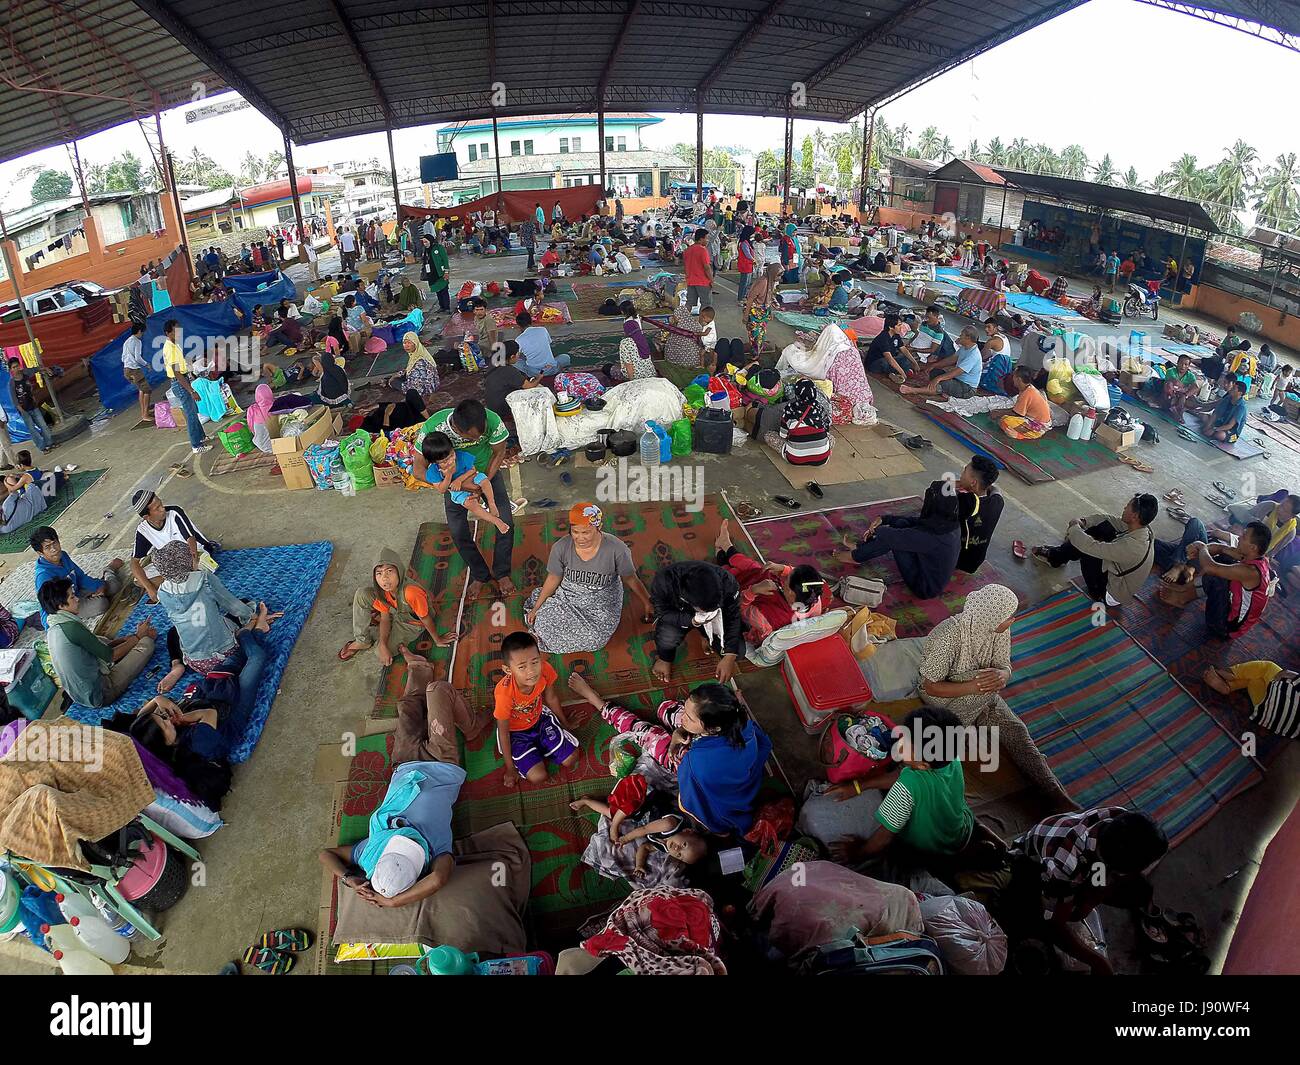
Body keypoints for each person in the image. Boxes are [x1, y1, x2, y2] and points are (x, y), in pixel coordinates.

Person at [320, 658, 483, 909]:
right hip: (442, 763)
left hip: (404, 766)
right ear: (420, 867)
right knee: (437, 690)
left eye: (397, 843)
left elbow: (325, 854)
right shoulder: (437, 850)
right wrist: (394, 902)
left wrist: (349, 878)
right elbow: (438, 879)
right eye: (411, 849)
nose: (406, 838)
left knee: (408, 708)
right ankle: (471, 727)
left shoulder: (368, 853)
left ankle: (420, 668)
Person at [1002, 807, 1167, 975]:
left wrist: (1090, 901)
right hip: (1029, 865)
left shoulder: (1119, 818)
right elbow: (1055, 925)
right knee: (1036, 920)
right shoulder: (1065, 864)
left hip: (1082, 858)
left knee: (1137, 891)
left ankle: (1078, 899)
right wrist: (1098, 961)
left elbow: (1099, 864)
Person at [825, 705, 979, 865]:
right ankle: (981, 836)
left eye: (905, 746)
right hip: (962, 829)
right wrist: (858, 786)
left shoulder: (907, 784)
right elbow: (903, 775)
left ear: (923, 765)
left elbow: (883, 838)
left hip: (930, 849)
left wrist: (858, 853)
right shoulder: (950, 758)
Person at [415, 400, 515, 598]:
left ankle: (502, 572)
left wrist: (481, 484)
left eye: (481, 435)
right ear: (457, 431)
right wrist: (444, 483)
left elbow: (499, 453)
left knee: (505, 521)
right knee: (458, 531)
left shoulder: (493, 421)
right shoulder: (435, 427)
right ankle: (480, 575)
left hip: (485, 473)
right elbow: (418, 469)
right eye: (471, 438)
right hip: (453, 483)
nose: (477, 439)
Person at [524, 502, 653, 653]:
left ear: (599, 527)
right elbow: (553, 578)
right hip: (569, 596)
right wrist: (536, 608)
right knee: (541, 622)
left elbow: (630, 578)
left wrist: (647, 602)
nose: (580, 538)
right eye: (575, 532)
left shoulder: (617, 549)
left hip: (601, 603)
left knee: (595, 640)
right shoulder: (561, 547)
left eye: (586, 532)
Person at [40, 578, 157, 708]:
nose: (78, 599)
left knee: (103, 640)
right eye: (72, 597)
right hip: (101, 693)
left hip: (78, 694)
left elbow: (93, 647)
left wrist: (125, 641)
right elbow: (111, 656)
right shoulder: (72, 628)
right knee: (147, 643)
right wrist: (138, 636)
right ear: (61, 606)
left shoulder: (53, 628)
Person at [835, 481, 961, 600]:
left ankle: (856, 556)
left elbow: (892, 536)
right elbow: (915, 522)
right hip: (928, 571)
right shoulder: (949, 523)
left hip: (924, 587)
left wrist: (876, 529)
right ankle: (860, 550)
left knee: (894, 538)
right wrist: (885, 519)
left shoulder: (933, 537)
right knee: (901, 524)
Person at [713, 519, 829, 646]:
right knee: (754, 567)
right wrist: (783, 568)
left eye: (787, 577)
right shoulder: (813, 595)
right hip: (766, 592)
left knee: (728, 576)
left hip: (747, 602)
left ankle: (720, 553)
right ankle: (726, 546)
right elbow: (800, 576)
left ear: (790, 591)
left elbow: (738, 608)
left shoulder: (764, 618)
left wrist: (753, 591)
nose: (785, 576)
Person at [1032, 494, 1158, 606]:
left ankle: (1057, 558)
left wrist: (1074, 528)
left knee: (1088, 550)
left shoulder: (1133, 547)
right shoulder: (1142, 528)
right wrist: (1084, 522)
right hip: (1118, 575)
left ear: (1134, 516)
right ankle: (1058, 557)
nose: (1124, 508)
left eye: (1128, 506)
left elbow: (1090, 547)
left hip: (1110, 593)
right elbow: (1109, 520)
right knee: (1103, 528)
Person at [341, 547, 456, 664]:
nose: (384, 578)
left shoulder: (411, 592)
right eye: (379, 573)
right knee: (362, 594)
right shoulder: (382, 589)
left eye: (389, 571)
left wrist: (437, 639)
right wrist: (383, 644)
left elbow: (425, 618)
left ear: (399, 571)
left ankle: (397, 640)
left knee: (380, 653)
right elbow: (385, 618)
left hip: (411, 622)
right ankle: (362, 641)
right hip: (395, 611)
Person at [494, 631, 579, 786]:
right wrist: (510, 768)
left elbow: (551, 698)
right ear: (508, 670)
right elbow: (503, 731)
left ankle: (544, 747)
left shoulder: (545, 670)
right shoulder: (504, 694)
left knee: (571, 758)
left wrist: (565, 723)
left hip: (540, 719)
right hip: (516, 734)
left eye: (535, 662)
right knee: (539, 777)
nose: (532, 671)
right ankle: (539, 750)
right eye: (522, 667)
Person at [1162, 522, 1273, 640]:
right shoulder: (1255, 556)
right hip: (1231, 610)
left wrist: (1202, 547)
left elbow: (1210, 568)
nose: (1239, 537)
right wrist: (1200, 547)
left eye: (1244, 536)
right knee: (1225, 559)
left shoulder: (1251, 571)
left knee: (1215, 576)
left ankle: (1182, 598)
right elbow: (1221, 548)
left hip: (1226, 628)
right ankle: (1184, 589)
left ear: (1253, 547)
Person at [648, 560, 743, 684]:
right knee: (667, 637)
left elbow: (733, 616)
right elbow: (663, 613)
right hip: (679, 612)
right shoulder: (664, 582)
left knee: (738, 651)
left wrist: (730, 655)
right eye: (703, 610)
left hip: (715, 616)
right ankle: (664, 660)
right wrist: (691, 620)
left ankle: (706, 636)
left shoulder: (728, 583)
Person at [129, 489, 219, 602]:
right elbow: (134, 563)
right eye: (157, 508)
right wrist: (150, 588)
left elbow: (190, 538)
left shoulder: (174, 512)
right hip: (171, 564)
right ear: (147, 517)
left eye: (160, 504)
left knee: (199, 570)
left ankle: (174, 584)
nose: (163, 509)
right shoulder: (143, 530)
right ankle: (180, 583)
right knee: (138, 580)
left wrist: (194, 561)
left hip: (196, 553)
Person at [31, 526, 124, 627]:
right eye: (47, 547)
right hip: (68, 605)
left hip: (77, 591)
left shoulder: (63, 555)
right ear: (40, 553)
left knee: (114, 586)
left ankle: (108, 570)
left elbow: (80, 577)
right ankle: (94, 598)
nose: (54, 549)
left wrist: (100, 586)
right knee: (102, 604)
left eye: (54, 543)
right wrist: (52, 626)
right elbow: (46, 607)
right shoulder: (43, 575)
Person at [421, 429, 509, 534]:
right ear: (434, 462)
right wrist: (448, 475)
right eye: (444, 461)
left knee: (484, 480)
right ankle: (496, 521)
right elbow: (441, 489)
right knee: (470, 504)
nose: (450, 461)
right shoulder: (433, 471)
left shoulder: (461, 455)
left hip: (470, 478)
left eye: (451, 456)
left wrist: (459, 480)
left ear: (453, 450)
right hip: (457, 491)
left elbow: (473, 470)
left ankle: (491, 502)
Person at [158, 319, 210, 454]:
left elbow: (181, 366)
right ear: (168, 333)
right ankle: (196, 445)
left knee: (193, 411)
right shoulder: (170, 348)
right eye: (176, 330)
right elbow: (176, 372)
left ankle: (202, 437)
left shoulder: (175, 345)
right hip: (179, 382)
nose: (179, 332)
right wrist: (191, 390)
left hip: (183, 379)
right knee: (191, 415)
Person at [900, 326, 984, 399]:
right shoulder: (965, 348)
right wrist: (934, 365)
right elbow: (951, 359)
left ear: (968, 338)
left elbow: (956, 372)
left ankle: (914, 390)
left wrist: (938, 378)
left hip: (967, 388)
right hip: (957, 380)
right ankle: (943, 390)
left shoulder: (973, 355)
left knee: (942, 382)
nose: (959, 336)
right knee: (935, 372)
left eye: (961, 335)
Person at [956, 457, 1004, 573]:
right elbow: (996, 490)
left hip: (955, 559)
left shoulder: (959, 503)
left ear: (973, 482)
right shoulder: (998, 502)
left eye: (964, 471)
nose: (961, 475)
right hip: (975, 561)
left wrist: (952, 485)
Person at [7, 357, 53, 453]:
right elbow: (14, 400)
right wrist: (22, 411)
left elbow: (36, 368)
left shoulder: (25, 374)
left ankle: (49, 444)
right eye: (13, 367)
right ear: (10, 370)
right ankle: (42, 448)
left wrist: (46, 369)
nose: (16, 369)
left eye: (17, 366)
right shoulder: (11, 383)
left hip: (33, 406)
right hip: (24, 410)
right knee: (33, 430)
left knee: (43, 425)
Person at [1000, 366, 1053, 439]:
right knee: (1005, 418)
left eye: (1014, 376)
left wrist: (998, 412)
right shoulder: (1028, 388)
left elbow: (1016, 413)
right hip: (1038, 421)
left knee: (1005, 421)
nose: (1012, 379)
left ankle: (1021, 435)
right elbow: (1017, 410)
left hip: (1039, 426)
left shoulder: (1028, 393)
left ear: (1018, 379)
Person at [863, 315, 920, 383]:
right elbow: (889, 358)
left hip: (889, 360)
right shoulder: (883, 338)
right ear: (890, 327)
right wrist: (902, 372)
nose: (901, 328)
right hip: (874, 364)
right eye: (899, 325)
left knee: (905, 358)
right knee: (884, 362)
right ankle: (894, 373)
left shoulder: (896, 335)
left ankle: (895, 373)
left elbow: (904, 350)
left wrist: (915, 363)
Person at [514, 312, 569, 377]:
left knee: (514, 362)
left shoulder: (519, 339)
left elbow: (516, 356)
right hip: (552, 369)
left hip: (535, 372)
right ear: (531, 321)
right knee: (566, 357)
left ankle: (530, 374)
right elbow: (548, 343)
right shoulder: (543, 330)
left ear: (518, 325)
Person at [390, 333, 441, 400]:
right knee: (399, 377)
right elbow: (408, 369)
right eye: (404, 343)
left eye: (409, 343)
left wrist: (393, 381)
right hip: (433, 384)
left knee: (394, 382)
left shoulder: (419, 362)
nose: (406, 346)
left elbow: (415, 388)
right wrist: (398, 374)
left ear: (415, 343)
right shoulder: (421, 353)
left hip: (422, 390)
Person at [120, 322, 151, 424]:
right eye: (142, 332)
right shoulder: (137, 341)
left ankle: (143, 413)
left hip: (126, 370)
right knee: (147, 391)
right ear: (139, 331)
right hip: (134, 369)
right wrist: (146, 364)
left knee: (141, 389)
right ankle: (145, 415)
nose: (142, 335)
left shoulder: (127, 341)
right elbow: (138, 358)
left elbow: (123, 358)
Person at [1160, 353, 1199, 419]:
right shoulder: (1171, 371)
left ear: (1188, 366)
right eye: (1181, 363)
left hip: (1181, 394)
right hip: (1170, 393)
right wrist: (1185, 388)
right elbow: (1176, 383)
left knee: (1191, 401)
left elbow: (1196, 387)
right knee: (1170, 386)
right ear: (1177, 363)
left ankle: (1177, 409)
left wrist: (1185, 395)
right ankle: (1178, 411)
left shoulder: (1190, 375)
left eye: (1186, 364)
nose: (1183, 366)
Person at [682, 228, 714, 311]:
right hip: (702, 281)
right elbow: (707, 267)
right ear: (701, 239)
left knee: (689, 303)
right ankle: (702, 323)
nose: (707, 240)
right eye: (706, 238)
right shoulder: (703, 250)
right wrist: (711, 280)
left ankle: (681, 320)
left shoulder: (687, 250)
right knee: (706, 304)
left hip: (690, 281)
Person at [421, 233, 451, 314]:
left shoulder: (439, 248)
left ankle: (447, 308)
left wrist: (446, 272)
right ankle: (442, 307)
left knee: (444, 290)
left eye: (426, 242)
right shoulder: (426, 250)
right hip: (432, 275)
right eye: (423, 242)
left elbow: (445, 260)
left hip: (441, 273)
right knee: (438, 291)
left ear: (430, 241)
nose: (425, 244)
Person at [735, 225, 756, 303]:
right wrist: (754, 260)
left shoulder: (747, 242)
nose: (753, 235)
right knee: (744, 283)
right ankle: (740, 298)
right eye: (752, 233)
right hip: (745, 265)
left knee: (747, 282)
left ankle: (744, 296)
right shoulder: (744, 243)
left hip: (748, 265)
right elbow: (747, 254)